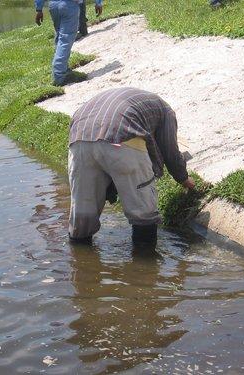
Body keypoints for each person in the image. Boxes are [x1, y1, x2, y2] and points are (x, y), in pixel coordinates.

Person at [67, 87, 195, 245]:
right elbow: (170, 150)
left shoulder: (123, 99)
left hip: (78, 139)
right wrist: (183, 178)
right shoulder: (166, 110)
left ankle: (79, 261)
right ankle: (145, 266)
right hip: (121, 135)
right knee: (143, 213)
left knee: (82, 215)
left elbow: (99, 153)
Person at [34, 0, 103, 86]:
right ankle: (59, 75)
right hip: (69, 5)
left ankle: (64, 69)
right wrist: (98, 3)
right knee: (65, 40)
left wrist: (39, 9)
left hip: (53, 6)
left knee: (60, 37)